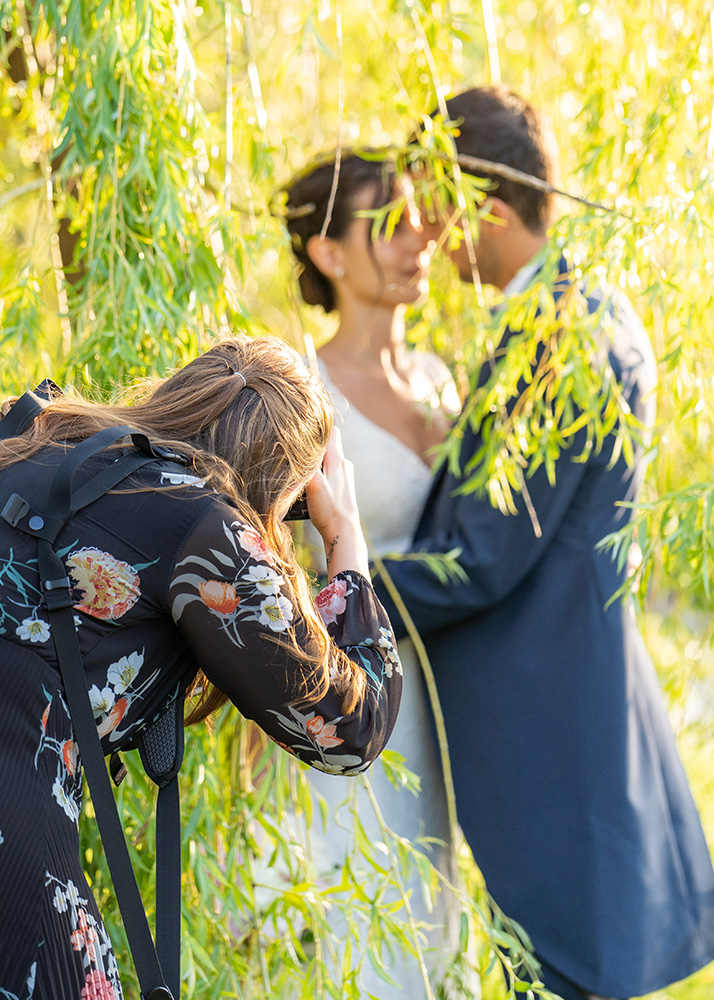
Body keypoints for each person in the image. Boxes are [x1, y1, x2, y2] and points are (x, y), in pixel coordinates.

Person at [371, 86, 714, 1000]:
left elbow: (483, 555)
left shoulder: (556, 335)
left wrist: (334, 593)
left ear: (485, 208)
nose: (433, 240)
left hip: (551, 732)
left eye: (437, 210)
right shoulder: (582, 305)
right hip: (572, 709)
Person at [0, 334, 402, 1000]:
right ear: (287, 490)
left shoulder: (28, 432)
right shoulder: (203, 526)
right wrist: (345, 542)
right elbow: (349, 727)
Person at [285, 153, 468, 998]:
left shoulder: (442, 381)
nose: (420, 239)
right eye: (387, 224)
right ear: (328, 252)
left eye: (420, 218)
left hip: (443, 701)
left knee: (435, 926)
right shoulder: (306, 394)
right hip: (352, 698)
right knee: (366, 935)